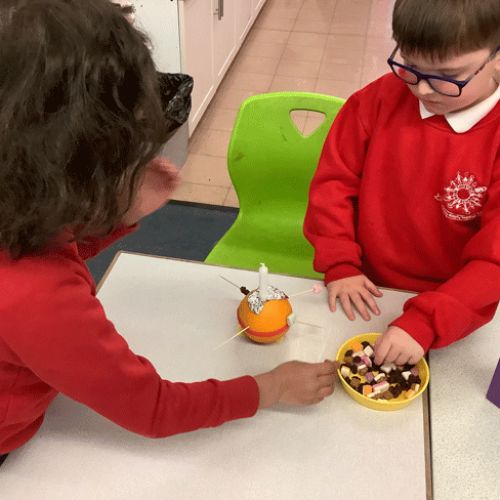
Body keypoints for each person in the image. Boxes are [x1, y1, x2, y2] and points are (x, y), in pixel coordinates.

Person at [0, 0, 338, 463]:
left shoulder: (19, 209)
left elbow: (43, 244)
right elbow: (153, 409)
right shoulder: (38, 297)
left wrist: (117, 213)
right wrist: (271, 386)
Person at [304, 0, 500, 367]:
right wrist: (340, 262)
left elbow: (494, 260)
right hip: (365, 284)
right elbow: (333, 186)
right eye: (410, 67)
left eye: (446, 75)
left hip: (456, 304)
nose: (423, 89)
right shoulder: (375, 101)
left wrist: (428, 320)